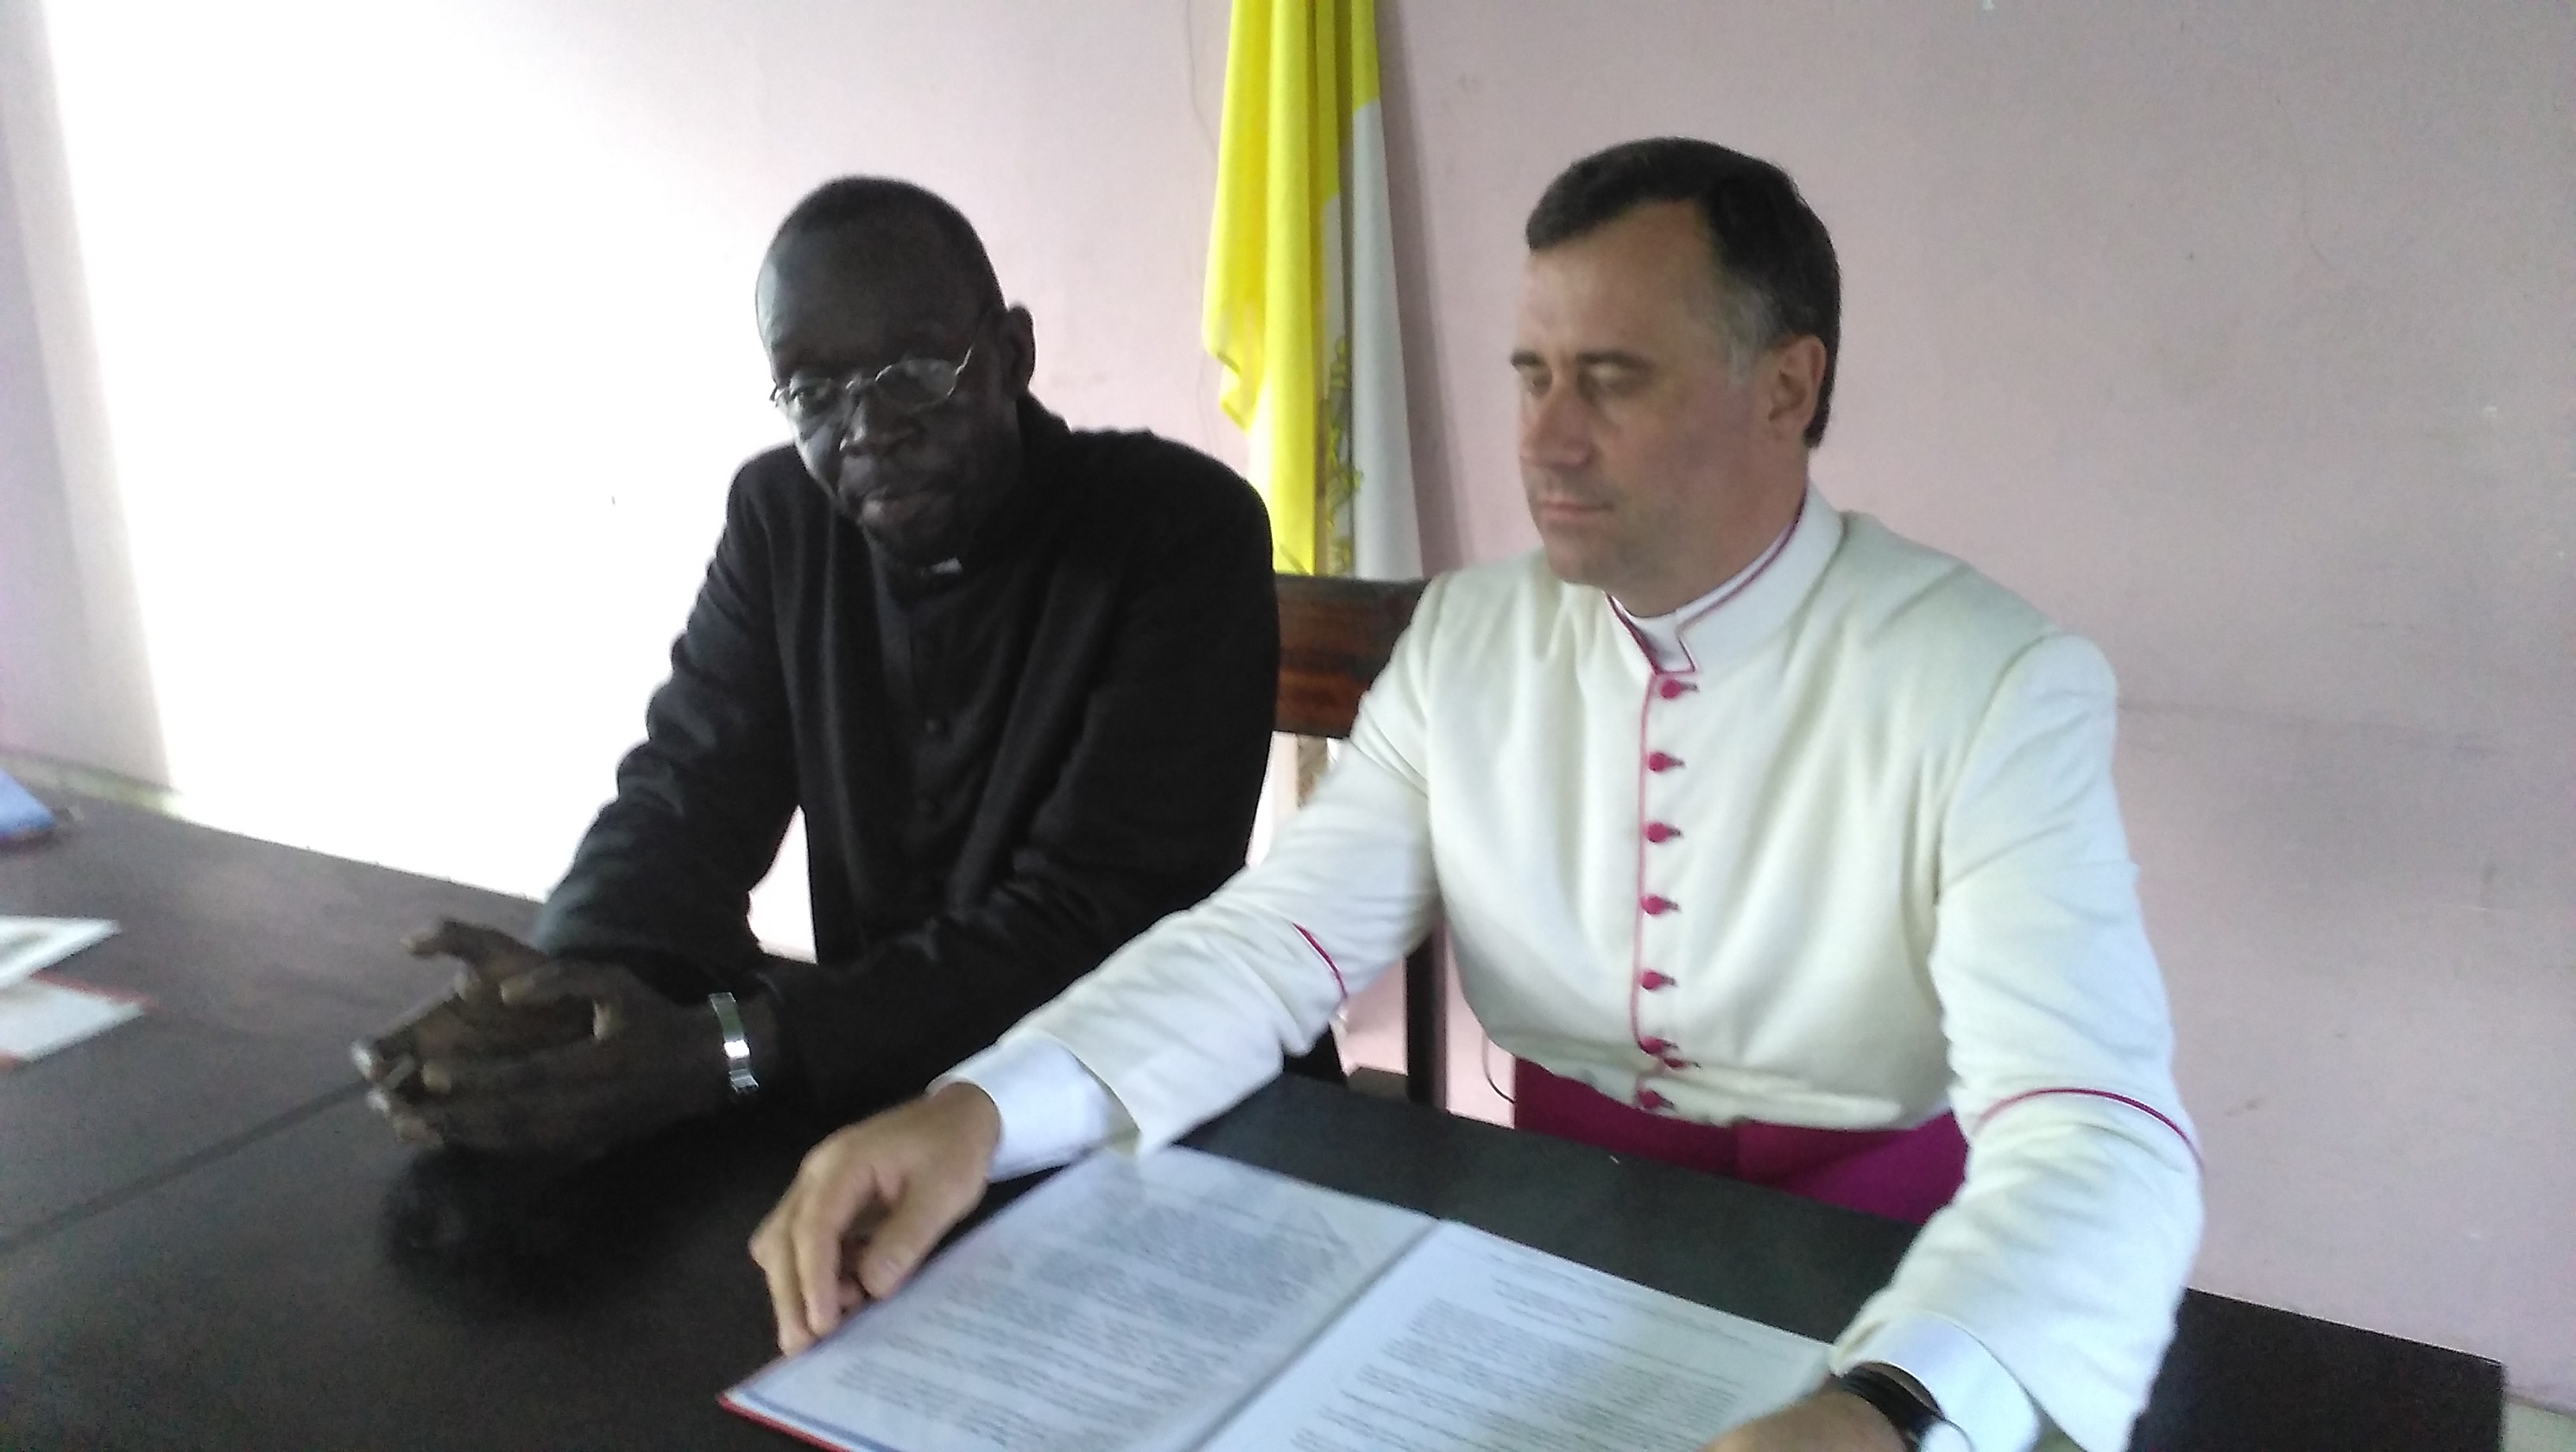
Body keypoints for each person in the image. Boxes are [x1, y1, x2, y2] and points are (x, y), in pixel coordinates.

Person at [749, 140, 2203, 1452]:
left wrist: (1890, 1410)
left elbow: (2094, 1130)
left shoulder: (1990, 680)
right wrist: (981, 1111)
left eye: (1610, 378)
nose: (1545, 438)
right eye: (1530, 374)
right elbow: (1271, 944)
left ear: (1787, 386)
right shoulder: (1469, 640)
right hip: (1538, 1245)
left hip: (1881, 1280)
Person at [352, 176, 1335, 1158]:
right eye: (813, 391)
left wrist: (730, 1049)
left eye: (916, 369)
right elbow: (684, 797)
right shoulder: (782, 519)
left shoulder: (1179, 529)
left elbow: (1095, 923)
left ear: (1011, 356)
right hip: (881, 1101)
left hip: (1165, 1114)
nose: (867, 427)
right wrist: (564, 994)